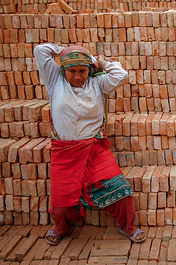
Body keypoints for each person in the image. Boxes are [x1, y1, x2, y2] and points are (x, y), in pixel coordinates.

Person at [34, 43, 146, 245]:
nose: (77, 76)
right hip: (65, 151)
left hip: (94, 149)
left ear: (90, 70)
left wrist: (98, 61)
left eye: (83, 71)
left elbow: (121, 75)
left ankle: (128, 226)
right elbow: (40, 50)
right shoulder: (54, 82)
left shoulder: (98, 84)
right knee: (61, 201)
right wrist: (64, 51)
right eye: (72, 71)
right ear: (63, 70)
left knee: (120, 190)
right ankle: (61, 228)